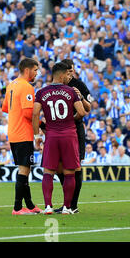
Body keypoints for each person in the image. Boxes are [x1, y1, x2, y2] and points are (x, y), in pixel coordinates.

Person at [32, 62, 87, 215]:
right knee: (70, 173)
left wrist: (37, 135)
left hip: (51, 135)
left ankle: (48, 206)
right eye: (68, 74)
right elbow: (82, 112)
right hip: (69, 135)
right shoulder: (71, 91)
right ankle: (67, 208)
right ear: (62, 75)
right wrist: (70, 118)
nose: (69, 77)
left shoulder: (42, 92)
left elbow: (35, 113)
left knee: (48, 172)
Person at [1, 57, 42, 215]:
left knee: (24, 169)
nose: (37, 73)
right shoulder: (26, 87)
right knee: (24, 170)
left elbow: (6, 108)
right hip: (23, 132)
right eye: (36, 70)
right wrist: (40, 121)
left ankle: (30, 205)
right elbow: (27, 113)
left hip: (13, 132)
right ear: (28, 70)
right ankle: (17, 207)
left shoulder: (11, 85)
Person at [52, 59, 91, 214]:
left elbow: (88, 108)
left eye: (72, 71)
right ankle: (67, 202)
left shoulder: (78, 85)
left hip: (75, 130)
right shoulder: (55, 85)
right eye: (68, 71)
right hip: (58, 131)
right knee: (58, 168)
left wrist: (80, 97)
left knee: (75, 167)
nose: (71, 74)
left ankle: (72, 205)